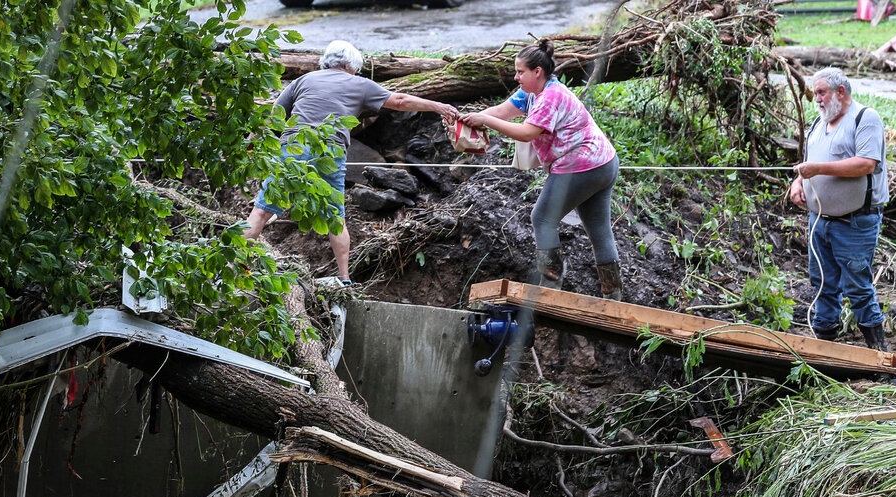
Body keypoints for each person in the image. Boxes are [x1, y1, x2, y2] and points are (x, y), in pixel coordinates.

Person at [244, 40, 458, 284]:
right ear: (349, 65)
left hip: (294, 145)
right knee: (336, 219)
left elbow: (276, 116)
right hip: (330, 151)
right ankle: (344, 279)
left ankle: (231, 264)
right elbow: (399, 101)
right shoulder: (359, 84)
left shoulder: (303, 81)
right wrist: (438, 106)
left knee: (261, 211)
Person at [459, 39, 623, 301]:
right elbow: (501, 112)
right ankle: (613, 298)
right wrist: (468, 120)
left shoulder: (550, 97)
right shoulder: (531, 92)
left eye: (520, 72)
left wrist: (485, 120)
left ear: (537, 72)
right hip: (604, 162)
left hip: (582, 166)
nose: (516, 77)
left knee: (542, 218)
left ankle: (549, 289)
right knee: (599, 230)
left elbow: (526, 133)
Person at [789, 67, 889, 351]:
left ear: (840, 92)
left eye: (821, 92)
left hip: (855, 222)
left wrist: (817, 169)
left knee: (857, 287)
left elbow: (866, 164)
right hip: (820, 220)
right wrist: (798, 182)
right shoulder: (819, 123)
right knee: (821, 282)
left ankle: (878, 355)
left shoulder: (865, 118)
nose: (817, 98)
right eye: (816, 93)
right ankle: (825, 349)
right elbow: (810, 161)